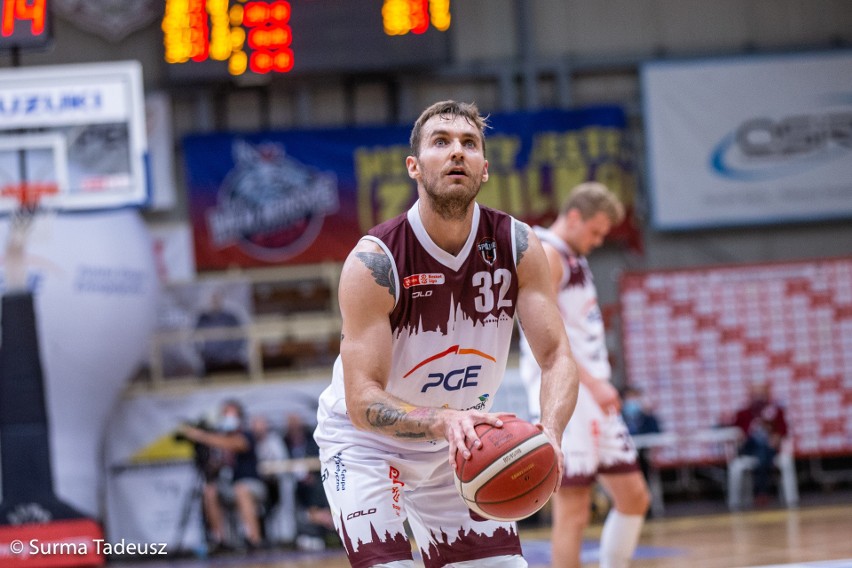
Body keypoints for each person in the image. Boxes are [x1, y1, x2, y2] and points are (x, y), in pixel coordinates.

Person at [314, 100, 579, 567]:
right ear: (414, 166)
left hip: (464, 443)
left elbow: (556, 355)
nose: (457, 152)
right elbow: (362, 401)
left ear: (485, 168)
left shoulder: (517, 245)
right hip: (367, 445)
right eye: (441, 142)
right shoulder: (375, 261)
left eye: (469, 144)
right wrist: (442, 419)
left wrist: (551, 432)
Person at [518, 182, 650, 568]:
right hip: (569, 396)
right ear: (573, 217)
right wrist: (593, 383)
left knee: (634, 496)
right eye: (595, 231)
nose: (598, 240)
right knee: (573, 509)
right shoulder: (547, 255)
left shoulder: (572, 254)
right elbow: (545, 336)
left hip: (595, 395)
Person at [178, 399, 267, 550]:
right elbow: (216, 465)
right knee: (210, 491)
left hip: (252, 485)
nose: (227, 417)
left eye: (230, 413)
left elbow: (233, 443)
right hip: (229, 487)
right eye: (225, 413)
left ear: (239, 417)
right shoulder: (219, 439)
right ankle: (219, 540)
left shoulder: (245, 435)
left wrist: (200, 435)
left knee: (241, 489)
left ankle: (254, 539)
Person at [282, 413, 333, 550]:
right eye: (291, 424)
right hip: (295, 487)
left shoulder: (312, 440)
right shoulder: (284, 441)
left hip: (317, 484)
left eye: (297, 424)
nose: (294, 427)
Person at [732, 382, 788, 505]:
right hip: (750, 447)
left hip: (769, 448)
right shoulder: (743, 413)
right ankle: (763, 492)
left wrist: (776, 437)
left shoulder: (775, 411)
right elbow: (735, 431)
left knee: (763, 450)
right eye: (756, 393)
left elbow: (783, 430)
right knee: (760, 445)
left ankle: (760, 493)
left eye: (761, 393)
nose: (759, 397)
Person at [194, 289, 247, 375]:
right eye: (212, 298)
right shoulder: (202, 319)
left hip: (231, 361)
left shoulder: (231, 318)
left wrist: (231, 354)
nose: (215, 301)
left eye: (217, 298)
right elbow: (194, 339)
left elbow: (241, 337)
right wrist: (203, 355)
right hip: (210, 363)